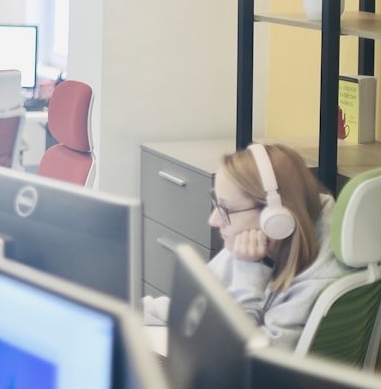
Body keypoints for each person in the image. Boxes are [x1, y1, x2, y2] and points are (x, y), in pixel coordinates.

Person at [143, 143, 352, 350]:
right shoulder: (254, 244)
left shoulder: (315, 284)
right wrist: (131, 308)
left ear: (276, 219)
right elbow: (195, 305)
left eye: (226, 209)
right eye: (216, 204)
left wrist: (249, 276)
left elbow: (236, 356)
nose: (214, 221)